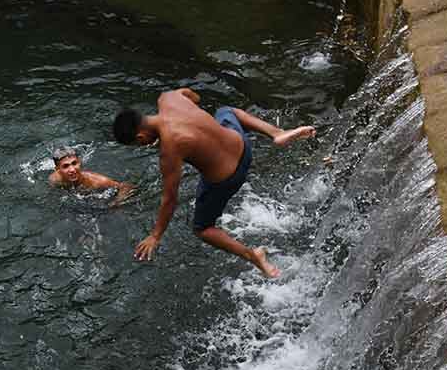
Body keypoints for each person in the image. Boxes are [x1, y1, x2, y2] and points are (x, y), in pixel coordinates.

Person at [112, 89, 315, 277]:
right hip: (243, 146)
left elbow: (170, 199)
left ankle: (253, 256)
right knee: (225, 111)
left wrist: (155, 235)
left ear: (141, 136)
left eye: (139, 143)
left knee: (202, 228)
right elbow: (195, 98)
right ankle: (277, 133)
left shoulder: (169, 148)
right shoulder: (168, 97)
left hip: (230, 178)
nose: (143, 145)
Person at [48, 147, 137, 206]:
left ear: (79, 162)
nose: (72, 169)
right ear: (57, 169)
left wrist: (116, 202)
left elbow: (126, 186)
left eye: (74, 163)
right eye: (65, 166)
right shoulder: (54, 180)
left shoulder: (98, 181)